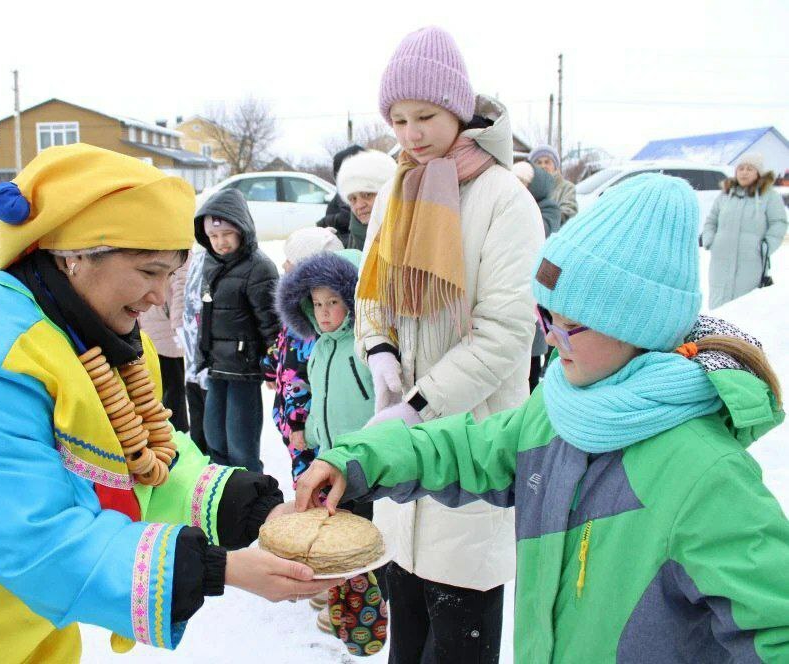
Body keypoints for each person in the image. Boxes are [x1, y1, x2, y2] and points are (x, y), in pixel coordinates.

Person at [0, 144, 338, 664]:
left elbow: (145, 455)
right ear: (76, 256)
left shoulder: (98, 333)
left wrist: (256, 509)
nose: (158, 296)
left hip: (16, 627)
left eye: (171, 274)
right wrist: (223, 570)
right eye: (149, 271)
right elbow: (33, 537)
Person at [297, 174, 789, 664]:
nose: (550, 339)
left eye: (569, 325)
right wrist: (357, 459)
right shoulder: (556, 411)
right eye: (544, 317)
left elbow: (773, 628)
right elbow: (466, 448)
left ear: (637, 325)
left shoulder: (706, 476)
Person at [355, 26, 544, 664]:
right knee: (406, 638)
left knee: (460, 640)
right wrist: (380, 355)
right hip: (400, 449)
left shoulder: (504, 200)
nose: (411, 134)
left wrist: (414, 407)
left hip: (472, 447)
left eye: (426, 116)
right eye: (399, 120)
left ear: (460, 109)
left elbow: (503, 336)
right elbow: (369, 296)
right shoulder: (395, 188)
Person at [275, 249, 387, 652]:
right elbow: (315, 393)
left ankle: (370, 599)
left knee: (366, 530)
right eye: (316, 304)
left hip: (365, 454)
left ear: (351, 300)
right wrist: (309, 432)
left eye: (333, 303)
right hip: (330, 452)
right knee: (338, 523)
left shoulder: (363, 345)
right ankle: (343, 591)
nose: (323, 313)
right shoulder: (320, 345)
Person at [195, 189, 281, 473]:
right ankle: (223, 499)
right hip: (218, 365)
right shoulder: (212, 263)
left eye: (226, 234)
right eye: (214, 236)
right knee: (215, 439)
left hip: (244, 368)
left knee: (241, 445)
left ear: (242, 230)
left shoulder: (259, 268)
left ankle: (252, 500)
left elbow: (271, 323)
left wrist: (274, 365)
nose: (220, 242)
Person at [263, 226, 342, 481]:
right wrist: (269, 364)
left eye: (290, 260)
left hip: (308, 426)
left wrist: (298, 424)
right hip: (293, 419)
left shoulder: (315, 322)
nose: (284, 264)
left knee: (312, 480)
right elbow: (283, 344)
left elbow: (302, 376)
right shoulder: (298, 309)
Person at [701, 152, 787, 309]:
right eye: (741, 168)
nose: (744, 172)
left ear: (758, 173)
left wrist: (765, 247)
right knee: (719, 302)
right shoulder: (726, 194)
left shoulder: (769, 196)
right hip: (720, 258)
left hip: (751, 260)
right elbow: (711, 220)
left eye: (749, 169)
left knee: (745, 304)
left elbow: (779, 223)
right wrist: (710, 240)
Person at [513, 160, 562, 391]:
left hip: (538, 285)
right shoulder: (513, 203)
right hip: (518, 282)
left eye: (523, 182)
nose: (518, 186)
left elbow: (541, 231)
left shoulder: (547, 207)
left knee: (532, 355)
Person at [139, 254, 191, 432]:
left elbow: (181, 288)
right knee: (159, 386)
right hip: (149, 328)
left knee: (173, 388)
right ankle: (167, 432)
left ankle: (176, 433)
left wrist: (178, 323)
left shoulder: (178, 253)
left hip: (167, 331)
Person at [335, 149, 397, 250]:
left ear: (387, 193)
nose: (359, 205)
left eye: (367, 194)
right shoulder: (355, 236)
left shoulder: (408, 230)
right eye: (353, 199)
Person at [180, 243, 209, 453]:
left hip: (210, 358)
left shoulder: (207, 262)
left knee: (212, 426)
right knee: (197, 413)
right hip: (192, 353)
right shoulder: (198, 259)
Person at [317, 145, 365, 246]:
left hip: (345, 243)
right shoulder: (346, 190)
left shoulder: (352, 190)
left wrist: (324, 221)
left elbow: (346, 216)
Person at [529, 144, 577, 224]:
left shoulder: (567, 188)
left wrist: (546, 223)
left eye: (547, 162)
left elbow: (569, 211)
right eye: (539, 162)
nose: (543, 166)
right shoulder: (527, 189)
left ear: (555, 166)